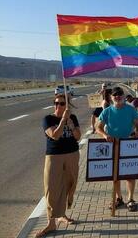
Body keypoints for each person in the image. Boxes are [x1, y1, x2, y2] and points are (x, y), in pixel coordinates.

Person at [36, 94, 81, 238]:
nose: (58, 106)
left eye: (62, 104)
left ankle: (62, 214)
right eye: (56, 103)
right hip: (54, 156)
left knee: (69, 185)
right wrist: (62, 121)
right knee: (51, 187)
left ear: (67, 105)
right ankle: (51, 223)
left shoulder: (72, 118)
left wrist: (70, 124)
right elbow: (54, 135)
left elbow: (78, 136)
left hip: (72, 154)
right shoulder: (48, 119)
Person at [96, 86, 138, 212]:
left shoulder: (131, 110)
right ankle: (119, 198)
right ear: (111, 97)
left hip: (128, 144)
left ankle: (131, 199)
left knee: (129, 174)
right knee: (115, 175)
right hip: (113, 144)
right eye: (115, 95)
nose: (117, 97)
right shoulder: (107, 111)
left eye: (120, 94)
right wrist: (105, 135)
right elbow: (98, 128)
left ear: (123, 96)